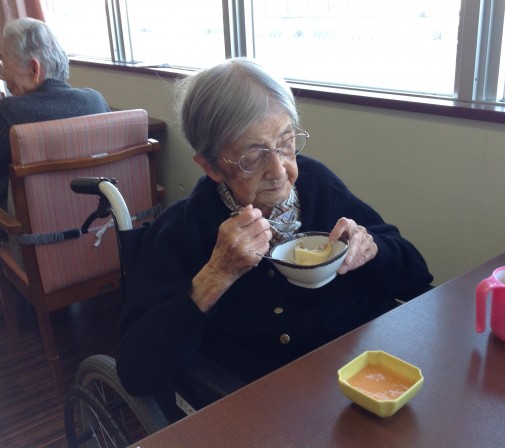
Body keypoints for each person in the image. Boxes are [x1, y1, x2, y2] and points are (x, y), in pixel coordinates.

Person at [116, 58, 433, 397]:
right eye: (253, 157)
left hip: (368, 370)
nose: (280, 171)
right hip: (277, 398)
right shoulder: (183, 230)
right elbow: (136, 373)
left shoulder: (316, 183)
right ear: (211, 166)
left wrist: (372, 249)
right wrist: (217, 274)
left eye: (286, 143)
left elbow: (417, 277)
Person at [0, 17, 110, 212]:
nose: (2, 74)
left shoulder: (6, 113)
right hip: (100, 220)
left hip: (25, 228)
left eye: (4, 64)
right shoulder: (96, 102)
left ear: (34, 69)